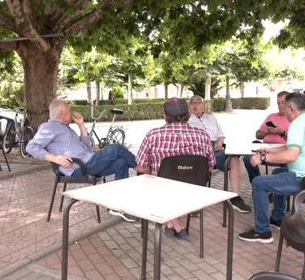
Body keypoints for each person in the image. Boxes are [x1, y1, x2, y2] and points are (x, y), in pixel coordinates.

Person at [238, 92, 305, 244]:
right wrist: (270, 150)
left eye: (285, 107)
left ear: (291, 108)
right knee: (278, 172)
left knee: (259, 182)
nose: (283, 111)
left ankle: (262, 232)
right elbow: (292, 146)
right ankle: (277, 218)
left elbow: (291, 156)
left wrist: (262, 158)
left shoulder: (297, 124)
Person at [26, 99, 137, 220]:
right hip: (79, 167)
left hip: (89, 162)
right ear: (61, 113)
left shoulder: (66, 128)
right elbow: (31, 147)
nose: (72, 112)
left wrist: (81, 125)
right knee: (116, 148)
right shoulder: (50, 127)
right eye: (69, 110)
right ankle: (141, 168)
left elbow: (88, 148)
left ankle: (119, 206)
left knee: (122, 163)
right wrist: (55, 158)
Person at [136, 98, 215, 239]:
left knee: (151, 181)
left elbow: (141, 167)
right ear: (188, 114)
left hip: (162, 191)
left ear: (165, 116)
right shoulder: (203, 135)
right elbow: (210, 166)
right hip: (195, 191)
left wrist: (153, 174)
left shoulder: (153, 135)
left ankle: (175, 225)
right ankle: (173, 223)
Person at [188, 95, 252, 213]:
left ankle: (235, 197)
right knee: (200, 164)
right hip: (198, 150)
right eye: (193, 102)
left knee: (234, 159)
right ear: (189, 106)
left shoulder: (211, 118)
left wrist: (220, 141)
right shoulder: (186, 120)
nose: (195, 104)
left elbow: (221, 134)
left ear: (203, 105)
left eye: (198, 102)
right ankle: (195, 201)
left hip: (216, 150)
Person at [243, 91, 291, 183]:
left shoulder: (293, 118)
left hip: (283, 150)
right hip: (265, 148)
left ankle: (279, 189)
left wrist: (282, 132)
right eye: (278, 103)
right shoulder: (271, 116)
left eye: (283, 102)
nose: (280, 105)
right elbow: (257, 135)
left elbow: (296, 141)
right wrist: (266, 131)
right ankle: (256, 182)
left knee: (289, 163)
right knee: (247, 159)